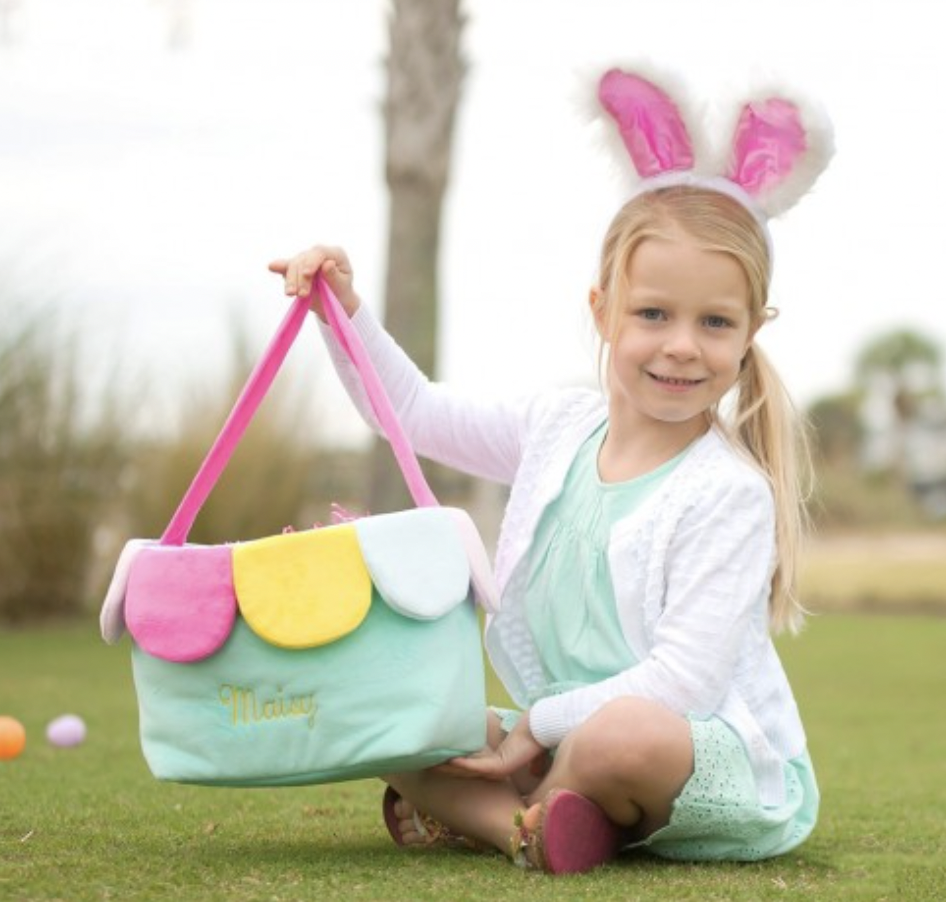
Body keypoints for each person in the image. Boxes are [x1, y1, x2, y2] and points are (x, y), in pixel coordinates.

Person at [268, 67, 833, 875]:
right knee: (388, 709)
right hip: (559, 731)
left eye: (714, 323)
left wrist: (537, 729)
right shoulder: (557, 430)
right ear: (602, 309)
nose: (681, 344)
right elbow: (417, 417)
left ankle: (499, 814)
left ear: (751, 332)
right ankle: (534, 829)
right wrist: (343, 312)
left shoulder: (727, 492)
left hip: (699, 755)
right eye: (652, 314)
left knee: (620, 733)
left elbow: (684, 679)